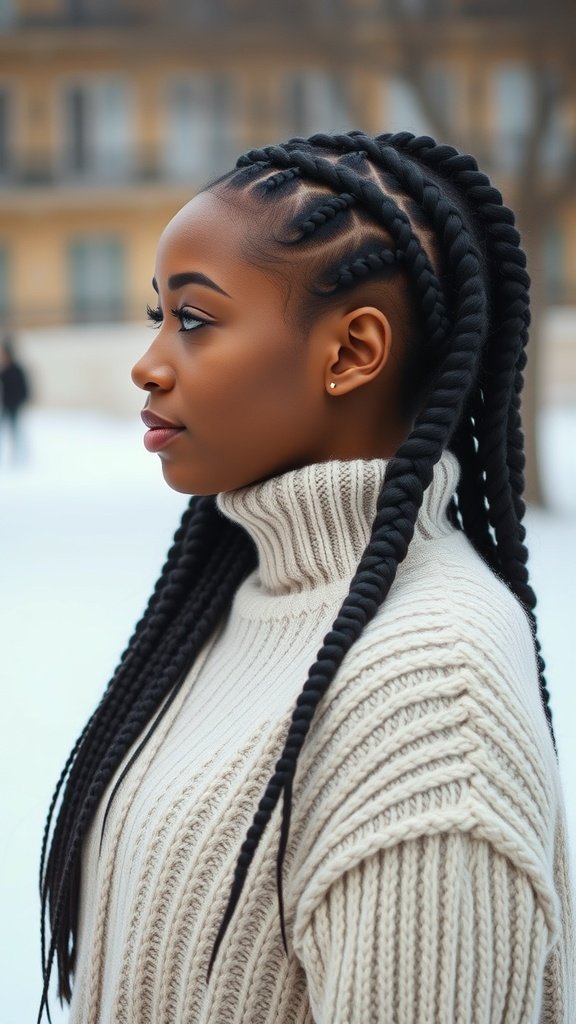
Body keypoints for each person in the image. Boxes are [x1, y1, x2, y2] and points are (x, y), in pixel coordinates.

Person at [39, 131, 574, 1023]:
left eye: (194, 319)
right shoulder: (245, 599)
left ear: (352, 352)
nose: (149, 363)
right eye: (156, 315)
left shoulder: (433, 701)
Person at [0, 334, 30, 463]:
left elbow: (24, 387)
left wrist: (22, 400)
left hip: (14, 405)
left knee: (16, 430)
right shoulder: (4, 369)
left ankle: (20, 455)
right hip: (6, 404)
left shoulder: (16, 369)